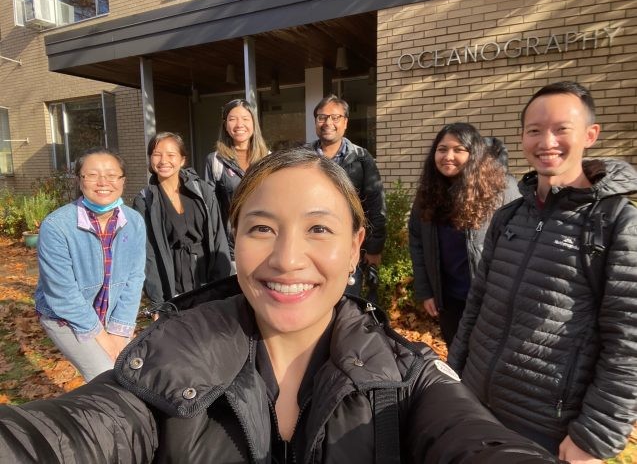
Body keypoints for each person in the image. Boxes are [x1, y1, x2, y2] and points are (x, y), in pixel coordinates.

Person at [0, 148, 560, 463]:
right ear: (234, 237)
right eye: (263, 227)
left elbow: (474, 441)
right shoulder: (164, 363)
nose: (288, 259)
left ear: (355, 247)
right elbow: (69, 435)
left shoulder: (408, 381)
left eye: (319, 228)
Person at [448, 81, 637, 463]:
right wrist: (453, 377)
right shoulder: (510, 215)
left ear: (590, 135)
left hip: (548, 426)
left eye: (560, 129)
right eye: (534, 130)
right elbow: (478, 304)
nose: (546, 141)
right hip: (476, 404)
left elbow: (628, 341)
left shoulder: (616, 222)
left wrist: (595, 436)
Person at [34, 147, 146, 382]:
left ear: (122, 181)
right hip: (65, 317)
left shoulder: (134, 221)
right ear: (79, 180)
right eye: (92, 175)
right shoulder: (56, 226)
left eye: (111, 174)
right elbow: (62, 295)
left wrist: (118, 330)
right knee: (107, 376)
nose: (103, 182)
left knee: (132, 372)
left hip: (110, 312)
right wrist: (104, 339)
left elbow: (134, 279)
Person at [408, 123, 519, 347]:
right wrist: (426, 291)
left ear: (474, 153)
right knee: (457, 353)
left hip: (489, 300)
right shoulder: (428, 193)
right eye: (442, 149)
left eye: (459, 149)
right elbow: (417, 242)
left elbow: (518, 246)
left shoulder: (502, 190)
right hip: (448, 300)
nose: (448, 156)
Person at [133, 132, 232, 308]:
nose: (164, 160)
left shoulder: (202, 191)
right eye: (157, 154)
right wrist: (158, 300)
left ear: (182, 160)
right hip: (170, 279)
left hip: (205, 274)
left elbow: (218, 238)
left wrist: (222, 285)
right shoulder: (144, 200)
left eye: (171, 155)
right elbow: (147, 254)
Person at [306, 94, 386, 297]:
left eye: (335, 117)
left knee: (348, 300)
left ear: (345, 122)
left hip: (346, 245)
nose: (328, 123)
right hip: (308, 242)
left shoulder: (361, 158)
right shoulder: (301, 156)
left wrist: (374, 248)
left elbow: (375, 203)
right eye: (322, 117)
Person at [204, 99, 269, 252]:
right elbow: (210, 208)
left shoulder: (269, 159)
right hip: (230, 246)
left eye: (245, 119)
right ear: (225, 125)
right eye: (232, 119)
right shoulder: (215, 161)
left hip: (264, 242)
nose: (239, 124)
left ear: (254, 123)